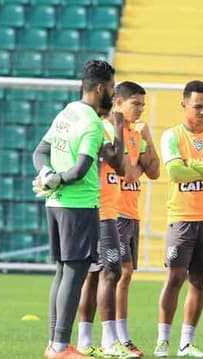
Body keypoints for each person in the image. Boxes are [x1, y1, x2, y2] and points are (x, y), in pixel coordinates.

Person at [32, 59, 115, 358]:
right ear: (100, 88)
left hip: (54, 204)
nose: (113, 95)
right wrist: (56, 179)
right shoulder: (93, 122)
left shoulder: (66, 112)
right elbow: (81, 169)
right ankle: (60, 346)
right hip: (78, 205)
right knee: (75, 272)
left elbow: (39, 152)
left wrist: (46, 177)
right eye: (113, 89)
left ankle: (55, 343)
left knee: (62, 272)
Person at [154, 80, 203, 358]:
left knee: (200, 281)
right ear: (184, 104)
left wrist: (194, 165)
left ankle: (186, 343)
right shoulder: (171, 136)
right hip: (182, 217)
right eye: (197, 106)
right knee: (175, 277)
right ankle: (163, 340)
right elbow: (175, 173)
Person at [76, 105, 137, 358]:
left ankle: (84, 341)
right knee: (111, 273)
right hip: (102, 211)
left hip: (103, 209)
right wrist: (120, 129)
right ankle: (110, 342)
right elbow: (120, 166)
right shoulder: (99, 129)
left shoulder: (101, 129)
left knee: (94, 276)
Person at [114, 81, 161, 357]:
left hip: (132, 212)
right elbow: (130, 172)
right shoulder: (113, 133)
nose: (141, 109)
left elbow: (153, 172)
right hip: (114, 212)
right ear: (118, 103)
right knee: (121, 274)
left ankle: (118, 336)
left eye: (143, 104)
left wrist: (148, 138)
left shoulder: (136, 134)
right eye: (136, 103)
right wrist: (138, 165)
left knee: (125, 276)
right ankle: (120, 337)